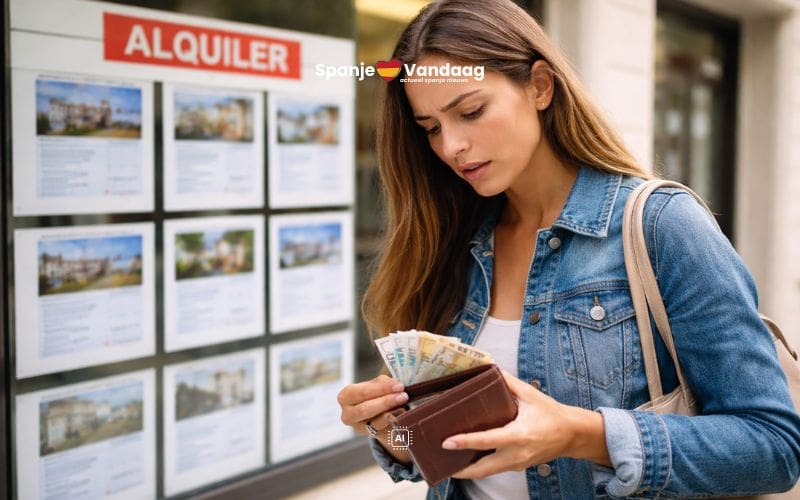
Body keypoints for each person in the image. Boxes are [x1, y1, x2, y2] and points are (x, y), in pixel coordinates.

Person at [336, 0, 800, 498]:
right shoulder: (451, 240)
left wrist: (582, 435)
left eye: (470, 111)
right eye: (430, 129)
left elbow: (774, 446)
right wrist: (394, 434)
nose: (451, 146)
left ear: (539, 86)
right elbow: (445, 449)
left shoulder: (661, 224)